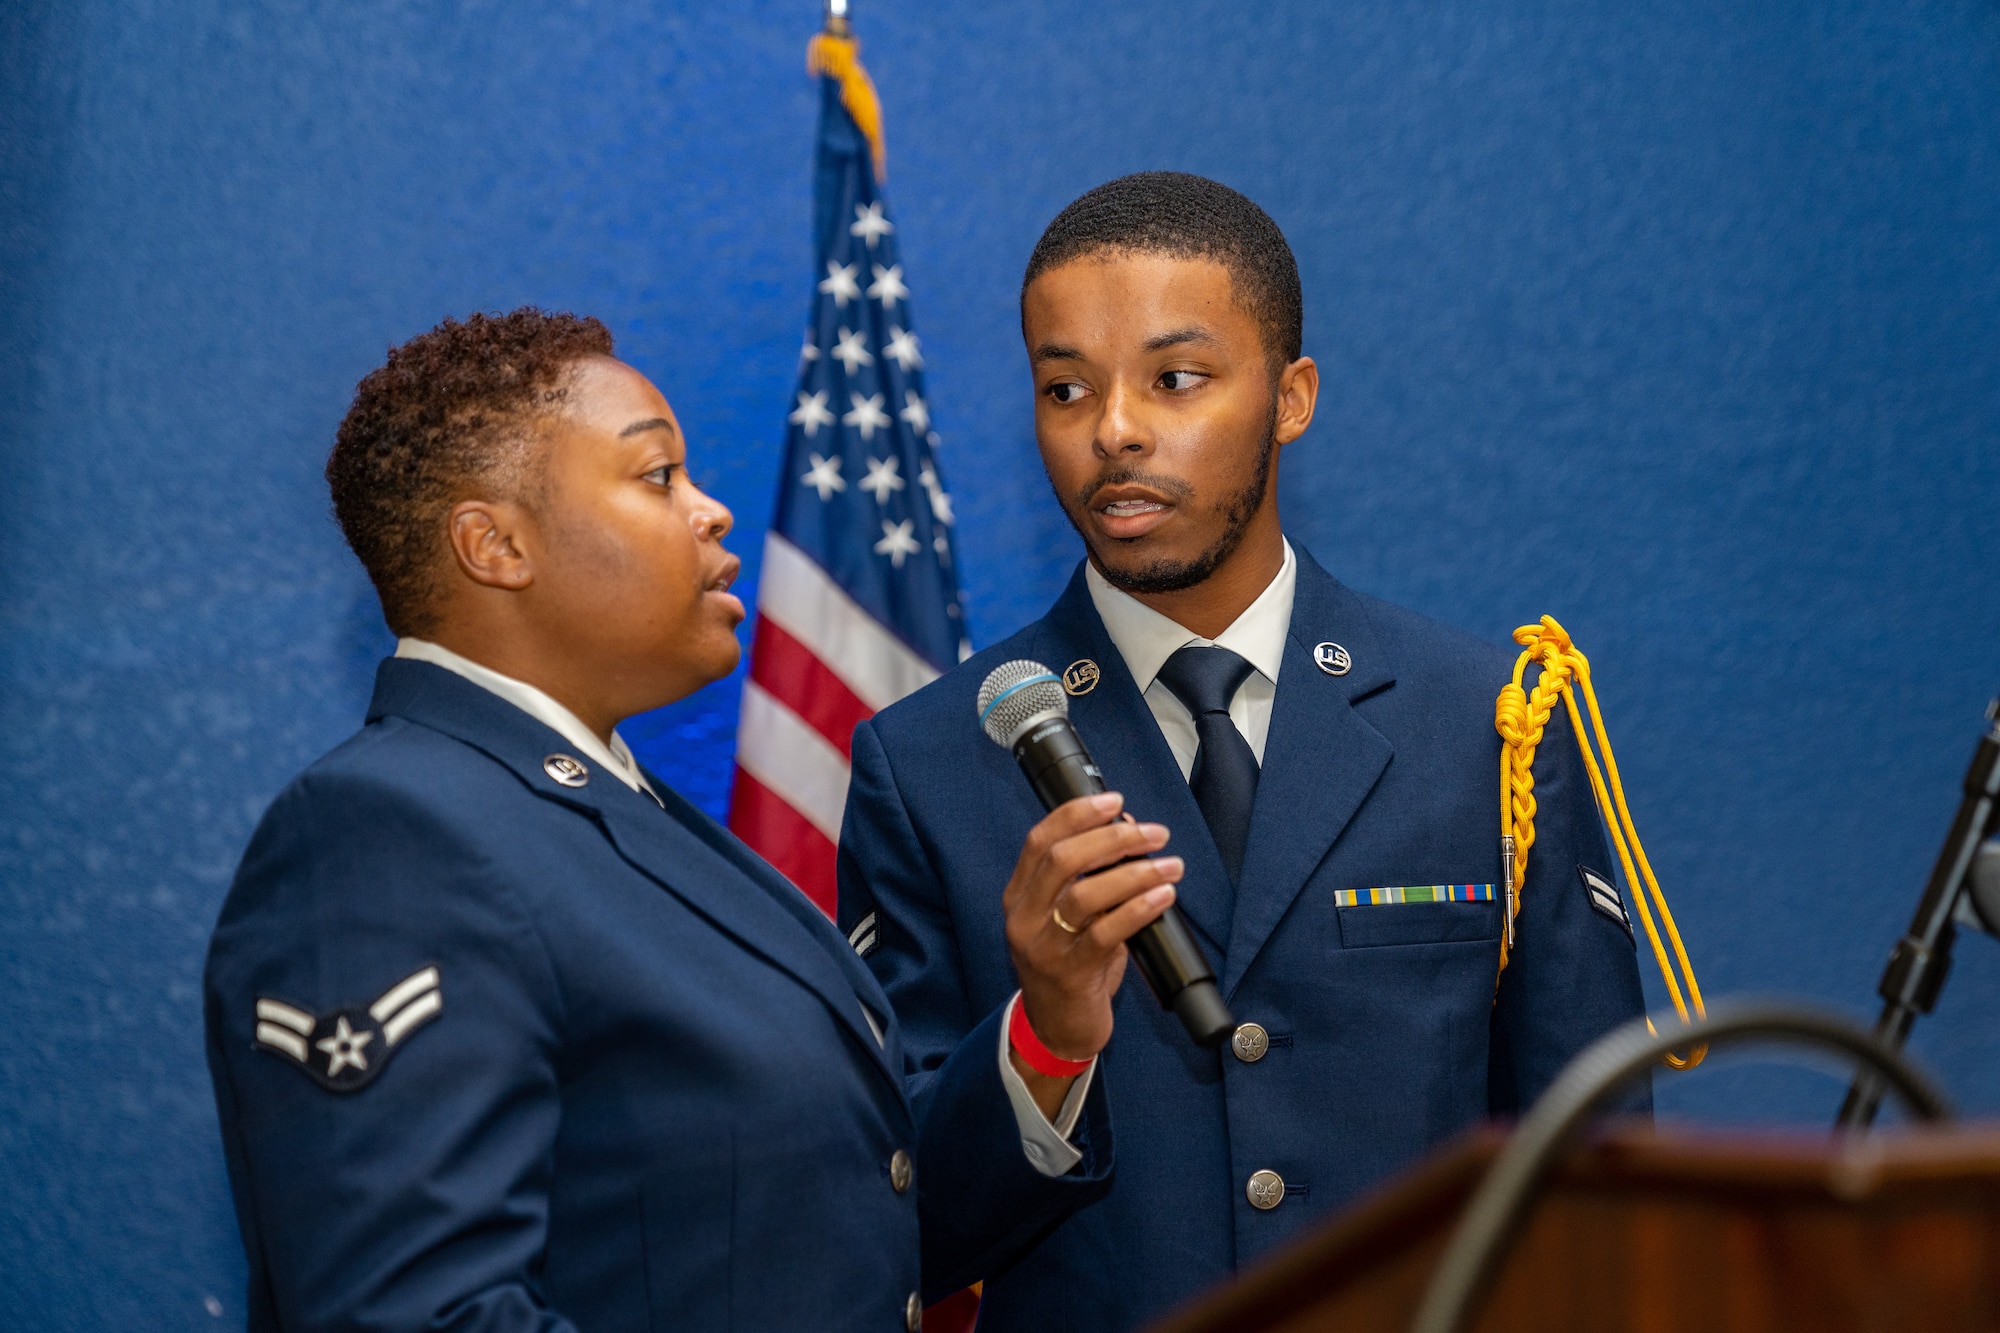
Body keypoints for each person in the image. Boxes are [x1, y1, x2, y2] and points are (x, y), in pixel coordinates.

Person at [203, 309, 1187, 1331]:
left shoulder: (621, 814)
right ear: (493, 545)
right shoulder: (384, 835)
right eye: (657, 475)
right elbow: (411, 1315)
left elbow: (849, 1229)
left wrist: (1050, 1034)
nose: (711, 512)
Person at [837, 173, 1649, 1331]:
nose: (1112, 428)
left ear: (1289, 396)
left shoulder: (1484, 722)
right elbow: (894, 1222)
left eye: (1174, 379)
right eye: (1063, 387)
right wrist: (1045, 1038)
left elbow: (1594, 1172)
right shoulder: (930, 763)